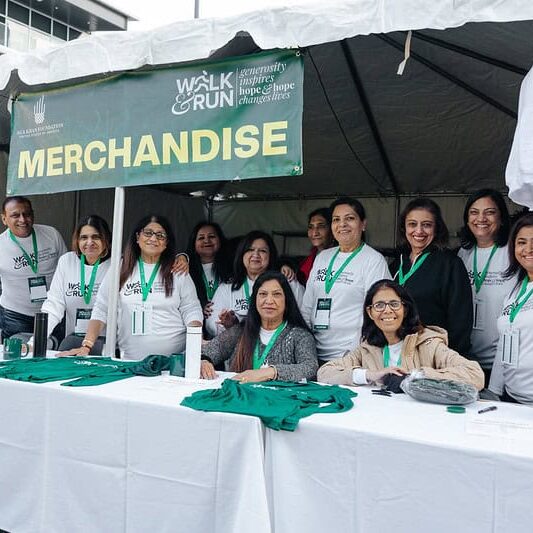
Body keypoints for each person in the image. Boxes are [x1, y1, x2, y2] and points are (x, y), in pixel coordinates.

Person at [61, 215, 203, 360]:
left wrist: (196, 344)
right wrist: (87, 345)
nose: (153, 239)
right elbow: (102, 308)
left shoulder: (177, 270)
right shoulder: (121, 268)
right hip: (130, 361)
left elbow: (191, 309)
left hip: (174, 361)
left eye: (160, 235)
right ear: (137, 237)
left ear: (166, 242)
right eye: (148, 233)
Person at [318, 279, 484, 390]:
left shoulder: (428, 343)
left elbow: (475, 375)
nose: (387, 310)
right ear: (370, 312)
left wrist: (417, 376)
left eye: (394, 304)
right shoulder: (367, 348)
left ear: (405, 309)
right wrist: (370, 375)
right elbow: (325, 373)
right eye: (379, 305)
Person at [301, 197, 391, 362]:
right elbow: (307, 305)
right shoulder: (323, 257)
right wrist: (305, 346)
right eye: (336, 220)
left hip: (350, 355)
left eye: (349, 218)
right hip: (313, 352)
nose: (342, 224)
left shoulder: (373, 260)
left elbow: (377, 311)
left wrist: (354, 354)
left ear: (363, 224)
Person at [201, 271, 318, 382]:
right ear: (255, 300)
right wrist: (203, 361)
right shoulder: (240, 331)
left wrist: (270, 372)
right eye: (263, 294)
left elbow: (310, 368)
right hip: (241, 397)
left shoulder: (299, 335)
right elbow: (207, 352)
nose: (269, 301)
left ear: (287, 301)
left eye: (276, 294)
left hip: (280, 400)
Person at [390, 197, 472, 355]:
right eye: (412, 224)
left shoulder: (450, 264)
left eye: (426, 225)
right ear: (403, 228)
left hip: (434, 356)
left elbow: (461, 321)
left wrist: (449, 359)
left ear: (437, 228)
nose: (419, 231)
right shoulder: (396, 263)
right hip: (396, 354)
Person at [457, 189, 515, 386]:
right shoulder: (463, 254)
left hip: (502, 363)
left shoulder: (513, 252)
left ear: (501, 218)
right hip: (466, 361)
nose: (481, 218)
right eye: (474, 212)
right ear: (467, 218)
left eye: (489, 212)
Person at [205, 231, 304, 338]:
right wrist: (229, 326)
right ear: (242, 254)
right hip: (237, 348)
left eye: (262, 251)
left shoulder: (287, 282)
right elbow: (211, 324)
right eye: (250, 250)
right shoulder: (227, 288)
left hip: (278, 346)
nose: (255, 254)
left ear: (271, 255)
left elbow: (303, 314)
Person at [39, 215, 112, 354]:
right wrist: (36, 340)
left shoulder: (118, 263)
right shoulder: (67, 261)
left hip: (108, 344)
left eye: (96, 237)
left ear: (106, 238)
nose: (89, 242)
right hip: (74, 340)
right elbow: (54, 305)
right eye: (84, 237)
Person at [0, 196, 67, 339]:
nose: (23, 220)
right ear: (4, 219)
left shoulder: (51, 234)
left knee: (51, 356)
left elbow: (67, 270)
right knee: (17, 358)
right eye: (15, 215)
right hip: (16, 316)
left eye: (27, 214)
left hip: (53, 314)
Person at [489, 213, 533, 404]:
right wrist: (494, 391)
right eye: (521, 242)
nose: (528, 249)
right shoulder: (515, 292)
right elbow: (504, 344)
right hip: (512, 397)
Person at [184, 221, 232, 334]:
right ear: (193, 243)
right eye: (201, 238)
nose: (206, 240)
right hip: (195, 329)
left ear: (220, 240)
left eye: (211, 236)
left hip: (224, 327)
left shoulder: (232, 266)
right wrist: (200, 306)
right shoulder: (186, 268)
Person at [298, 207, 334, 284]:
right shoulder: (308, 260)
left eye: (321, 226)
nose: (314, 233)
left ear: (332, 228)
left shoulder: (341, 257)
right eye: (311, 227)